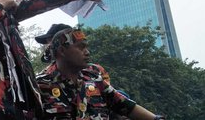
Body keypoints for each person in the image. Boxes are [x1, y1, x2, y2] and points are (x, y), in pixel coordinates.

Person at [35, 27, 165, 119]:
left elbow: (126, 106)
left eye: (86, 47)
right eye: (80, 47)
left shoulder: (94, 79)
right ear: (62, 51)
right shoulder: (39, 86)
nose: (87, 52)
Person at [36, 23, 111, 83]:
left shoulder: (95, 71)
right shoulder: (43, 81)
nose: (49, 46)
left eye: (52, 42)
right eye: (49, 43)